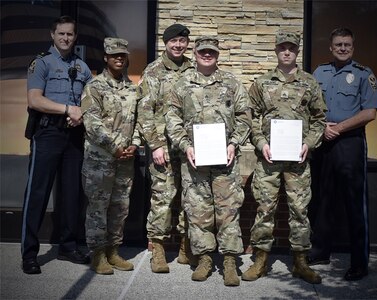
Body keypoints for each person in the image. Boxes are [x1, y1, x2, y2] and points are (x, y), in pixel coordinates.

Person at [165, 36, 252, 286]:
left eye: (211, 52)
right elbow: (172, 119)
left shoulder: (231, 83)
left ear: (217, 55)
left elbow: (245, 117)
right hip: (194, 161)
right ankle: (204, 258)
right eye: (202, 51)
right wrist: (185, 145)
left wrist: (234, 143)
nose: (207, 55)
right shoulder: (182, 84)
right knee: (198, 210)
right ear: (195, 53)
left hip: (226, 159)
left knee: (228, 210)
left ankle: (229, 261)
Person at [241, 31, 326, 284]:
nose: (286, 52)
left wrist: (309, 144)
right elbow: (250, 117)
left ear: (297, 51)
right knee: (264, 209)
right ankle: (260, 260)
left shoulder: (309, 83)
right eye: (282, 48)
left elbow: (320, 120)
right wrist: (260, 142)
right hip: (268, 160)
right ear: (276, 50)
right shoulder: (262, 83)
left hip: (298, 161)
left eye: (291, 48)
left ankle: (300, 261)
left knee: (299, 210)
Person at [307, 28, 377, 281]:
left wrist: (337, 128)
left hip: (349, 143)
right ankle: (320, 252)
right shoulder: (319, 72)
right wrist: (320, 127)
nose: (342, 48)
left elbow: (369, 112)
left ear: (353, 47)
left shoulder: (363, 74)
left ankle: (359, 263)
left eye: (347, 44)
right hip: (323, 142)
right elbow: (309, 106)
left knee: (354, 203)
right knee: (322, 198)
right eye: (338, 44)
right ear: (330, 47)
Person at [21, 15, 92, 275]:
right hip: (48, 133)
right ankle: (29, 253)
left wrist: (81, 113)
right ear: (53, 35)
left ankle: (68, 246)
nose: (65, 38)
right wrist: (67, 110)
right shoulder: (41, 63)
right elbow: (34, 101)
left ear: (75, 37)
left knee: (72, 194)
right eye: (61, 33)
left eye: (70, 34)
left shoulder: (82, 67)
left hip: (74, 136)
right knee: (37, 193)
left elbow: (90, 100)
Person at [80, 37, 142, 275]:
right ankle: (97, 253)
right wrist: (116, 146)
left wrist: (134, 145)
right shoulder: (94, 87)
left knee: (120, 207)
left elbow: (140, 121)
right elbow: (92, 123)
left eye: (122, 55)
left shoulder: (132, 88)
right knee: (98, 207)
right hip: (100, 160)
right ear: (106, 57)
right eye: (114, 54)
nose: (119, 58)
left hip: (125, 160)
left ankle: (113, 251)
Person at [138, 23, 196, 273]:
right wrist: (155, 144)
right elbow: (144, 111)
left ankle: (185, 248)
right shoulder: (153, 71)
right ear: (166, 42)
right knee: (162, 197)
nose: (178, 45)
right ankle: (158, 250)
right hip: (163, 145)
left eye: (182, 41)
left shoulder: (194, 70)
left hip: (189, 147)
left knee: (189, 197)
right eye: (174, 41)